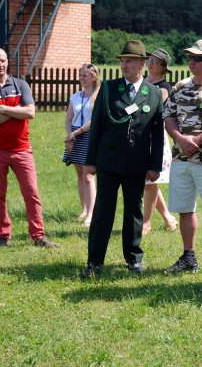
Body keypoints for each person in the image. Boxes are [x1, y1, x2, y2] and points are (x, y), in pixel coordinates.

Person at [82, 40, 164, 277]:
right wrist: (91, 160)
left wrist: (154, 165)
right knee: (103, 212)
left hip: (137, 163)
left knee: (134, 211)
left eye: (129, 60)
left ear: (142, 63)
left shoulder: (154, 93)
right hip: (109, 161)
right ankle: (95, 261)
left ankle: (133, 258)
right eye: (122, 60)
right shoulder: (109, 88)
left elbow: (157, 134)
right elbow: (97, 126)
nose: (124, 65)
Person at [0, 47, 59, 248]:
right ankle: (3, 236)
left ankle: (38, 236)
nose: (1, 64)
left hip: (22, 149)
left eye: (3, 60)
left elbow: (31, 113)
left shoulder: (21, 85)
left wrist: (4, 109)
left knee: (32, 193)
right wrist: (17, 111)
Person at [163, 40, 202, 277]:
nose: (192, 62)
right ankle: (189, 257)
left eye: (198, 58)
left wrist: (197, 141)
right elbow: (168, 115)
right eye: (190, 57)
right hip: (182, 158)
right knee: (185, 209)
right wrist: (180, 138)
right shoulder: (180, 86)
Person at [142, 48, 177, 235]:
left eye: (156, 61)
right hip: (140, 135)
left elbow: (151, 106)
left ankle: (146, 222)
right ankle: (168, 218)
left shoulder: (164, 87)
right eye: (151, 59)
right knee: (149, 182)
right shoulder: (143, 81)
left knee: (151, 180)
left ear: (164, 67)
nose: (151, 63)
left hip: (154, 136)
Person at [64, 63, 101, 227]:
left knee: (88, 176)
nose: (82, 78)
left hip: (89, 136)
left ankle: (92, 213)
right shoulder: (75, 96)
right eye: (80, 75)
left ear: (94, 77)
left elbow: (95, 121)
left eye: (85, 75)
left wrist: (76, 133)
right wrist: (69, 136)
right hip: (74, 137)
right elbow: (68, 118)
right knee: (79, 174)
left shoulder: (98, 96)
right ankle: (84, 209)